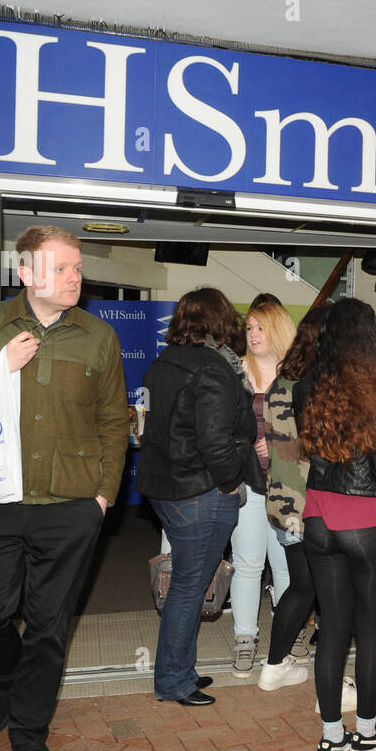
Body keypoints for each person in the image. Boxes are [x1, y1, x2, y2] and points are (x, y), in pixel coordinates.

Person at [0, 225, 127, 751]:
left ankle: (29, 731)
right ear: (26, 273)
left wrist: (103, 495)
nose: (74, 278)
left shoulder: (98, 336)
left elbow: (115, 420)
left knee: (48, 626)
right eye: (62, 268)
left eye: (77, 268)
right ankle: (8, 673)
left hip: (69, 507)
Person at [297, 298, 376, 751]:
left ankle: (330, 738)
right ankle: (365, 732)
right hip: (364, 521)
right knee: (368, 631)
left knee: (332, 629)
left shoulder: (309, 385)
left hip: (318, 516)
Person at [137, 288, 254, 706]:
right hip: (200, 489)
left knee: (188, 582)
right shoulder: (213, 368)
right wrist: (230, 482)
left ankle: (180, 671)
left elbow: (148, 428)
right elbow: (216, 440)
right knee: (190, 586)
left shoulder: (162, 363)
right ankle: (172, 682)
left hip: (165, 489)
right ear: (221, 321)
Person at [257, 303, 333, 692]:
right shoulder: (317, 386)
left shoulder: (280, 382)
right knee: (320, 588)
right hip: (313, 504)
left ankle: (275, 664)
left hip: (282, 501)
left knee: (303, 586)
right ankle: (321, 678)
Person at [228, 297, 297, 677]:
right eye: (249, 328)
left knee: (288, 568)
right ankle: (244, 640)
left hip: (290, 487)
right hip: (249, 484)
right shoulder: (237, 372)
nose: (253, 335)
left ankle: (289, 635)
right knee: (248, 564)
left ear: (278, 329)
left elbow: (317, 434)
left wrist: (277, 443)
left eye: (260, 327)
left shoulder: (297, 376)